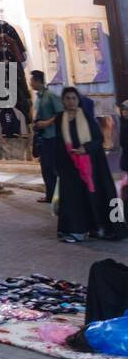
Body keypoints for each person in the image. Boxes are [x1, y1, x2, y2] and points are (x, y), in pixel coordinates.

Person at [54, 87, 125, 243]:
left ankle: (104, 228)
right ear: (63, 101)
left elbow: (98, 139)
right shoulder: (60, 118)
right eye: (68, 98)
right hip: (69, 165)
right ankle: (75, 231)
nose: (71, 101)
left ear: (78, 100)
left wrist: (84, 149)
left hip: (92, 165)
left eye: (74, 98)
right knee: (74, 198)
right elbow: (59, 141)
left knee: (98, 195)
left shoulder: (85, 116)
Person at [30, 69, 64, 204]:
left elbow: (60, 113)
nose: (30, 83)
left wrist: (47, 122)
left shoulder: (50, 96)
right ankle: (50, 195)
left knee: (52, 168)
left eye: (32, 80)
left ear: (38, 81)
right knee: (45, 168)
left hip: (51, 137)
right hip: (41, 137)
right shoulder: (38, 97)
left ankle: (58, 196)